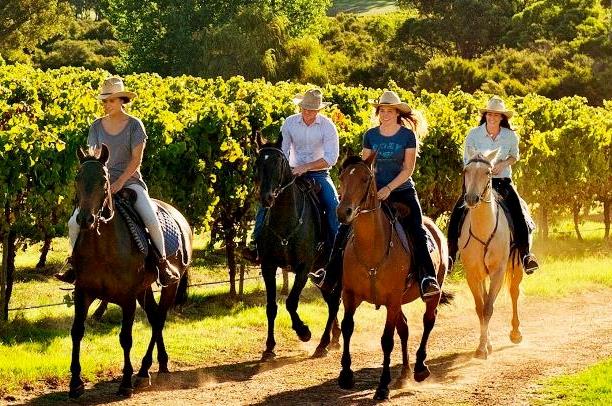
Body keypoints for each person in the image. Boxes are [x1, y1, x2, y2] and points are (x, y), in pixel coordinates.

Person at [309, 90, 441, 301]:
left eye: (390, 110)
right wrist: (367, 191)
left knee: (416, 229)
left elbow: (408, 169)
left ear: (397, 113)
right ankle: (329, 276)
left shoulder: (407, 136)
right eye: (382, 110)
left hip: (401, 190)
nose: (385, 114)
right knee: (345, 228)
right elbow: (364, 168)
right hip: (372, 193)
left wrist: (388, 188)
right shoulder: (370, 135)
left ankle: (427, 278)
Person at [55, 77, 180, 286]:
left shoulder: (134, 125)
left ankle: (162, 264)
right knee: (73, 223)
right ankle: (73, 265)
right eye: (104, 101)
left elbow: (136, 159)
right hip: (100, 186)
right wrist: (101, 181)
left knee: (151, 218)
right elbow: (94, 156)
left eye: (110, 101)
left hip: (130, 182)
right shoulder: (96, 126)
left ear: (122, 100)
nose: (106, 105)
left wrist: (120, 182)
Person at [242, 88, 340, 262]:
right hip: (292, 173)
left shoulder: (328, 126)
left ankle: (335, 250)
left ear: (318, 110)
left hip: (319, 174)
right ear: (300, 107)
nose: (307, 112)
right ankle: (256, 244)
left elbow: (331, 158)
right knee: (267, 199)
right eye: (305, 108)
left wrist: (306, 167)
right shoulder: (289, 123)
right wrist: (286, 172)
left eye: (311, 110)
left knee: (333, 205)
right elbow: (284, 150)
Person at [447, 96, 539, 274]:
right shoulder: (473, 135)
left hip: (502, 181)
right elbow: (467, 162)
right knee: (457, 213)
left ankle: (526, 255)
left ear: (502, 118)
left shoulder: (510, 136)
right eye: (490, 114)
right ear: (485, 115)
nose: (492, 117)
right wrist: (484, 169)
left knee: (518, 212)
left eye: (496, 115)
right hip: (476, 181)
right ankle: (451, 255)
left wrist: (503, 164)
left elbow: (514, 156)